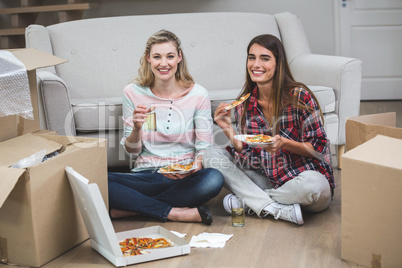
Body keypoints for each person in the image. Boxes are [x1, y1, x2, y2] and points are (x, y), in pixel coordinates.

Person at [203, 34, 334, 225]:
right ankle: (274, 208)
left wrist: (285, 144)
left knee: (313, 187)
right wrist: (227, 129)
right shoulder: (246, 104)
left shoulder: (300, 96)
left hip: (302, 182)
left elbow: (319, 150)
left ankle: (250, 201)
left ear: (278, 63)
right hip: (268, 178)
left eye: (264, 58)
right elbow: (248, 156)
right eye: (251, 57)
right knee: (211, 155)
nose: (256, 64)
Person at [108, 30, 224, 225]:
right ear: (148, 59)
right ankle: (174, 212)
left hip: (183, 177)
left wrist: (193, 169)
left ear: (179, 57)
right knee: (97, 182)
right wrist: (136, 128)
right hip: (146, 175)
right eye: (157, 57)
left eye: (170, 56)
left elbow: (204, 147)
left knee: (214, 178)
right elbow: (132, 153)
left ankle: (131, 209)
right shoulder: (132, 92)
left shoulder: (198, 94)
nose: (164, 63)